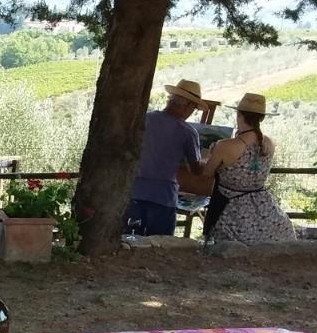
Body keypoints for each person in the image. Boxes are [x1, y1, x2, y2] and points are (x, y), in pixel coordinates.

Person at [201, 93, 296, 244]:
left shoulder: (226, 146)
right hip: (264, 207)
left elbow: (206, 174)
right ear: (261, 118)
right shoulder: (269, 143)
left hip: (230, 210)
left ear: (238, 115)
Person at [125, 79, 209, 236]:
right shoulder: (188, 132)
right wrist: (209, 161)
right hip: (163, 198)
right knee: (159, 247)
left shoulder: (144, 119)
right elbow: (196, 171)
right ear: (189, 106)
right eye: (195, 108)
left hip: (133, 192)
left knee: (129, 242)